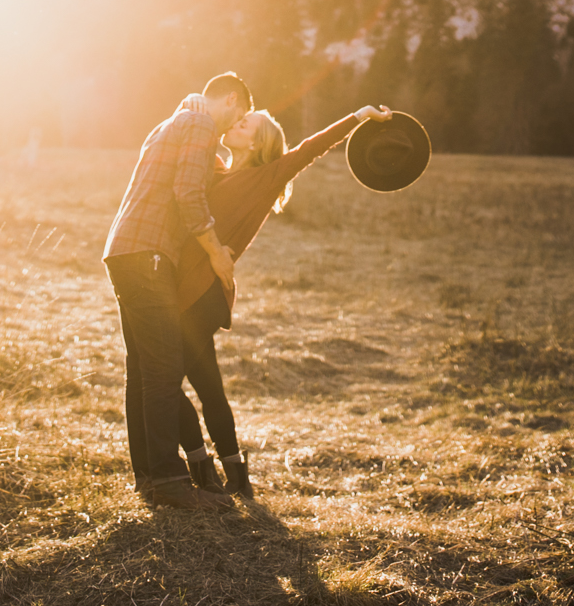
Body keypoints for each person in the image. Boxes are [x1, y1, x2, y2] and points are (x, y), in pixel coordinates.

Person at [172, 100, 392, 498]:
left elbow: (311, 147)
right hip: (184, 290)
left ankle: (201, 466)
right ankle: (236, 477)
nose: (236, 124)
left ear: (257, 145)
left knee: (163, 381)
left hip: (203, 295)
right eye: (240, 119)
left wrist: (358, 116)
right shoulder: (214, 171)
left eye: (245, 124)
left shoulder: (266, 176)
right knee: (208, 385)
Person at [102, 71, 252, 513]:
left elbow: (198, 178)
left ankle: (148, 476)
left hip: (123, 251)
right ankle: (170, 482)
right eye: (237, 115)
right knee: (165, 368)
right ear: (228, 100)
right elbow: (188, 195)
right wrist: (216, 253)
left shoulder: (173, 122)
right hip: (148, 255)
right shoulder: (202, 123)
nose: (232, 126)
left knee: (144, 371)